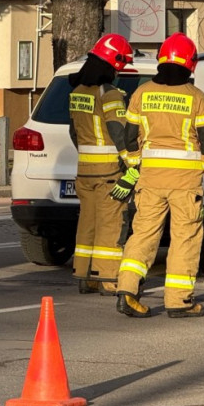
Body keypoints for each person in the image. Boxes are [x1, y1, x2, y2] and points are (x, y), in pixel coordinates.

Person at [113, 33, 204, 318]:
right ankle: (178, 301)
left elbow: (129, 136)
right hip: (185, 182)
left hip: (150, 178)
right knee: (185, 238)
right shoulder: (196, 97)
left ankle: (127, 290)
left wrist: (136, 166)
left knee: (143, 235)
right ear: (190, 64)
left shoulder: (141, 93)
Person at [68, 33, 134, 294]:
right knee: (111, 224)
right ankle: (108, 278)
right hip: (109, 172)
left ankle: (86, 277)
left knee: (88, 222)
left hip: (84, 171)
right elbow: (118, 132)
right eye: (120, 67)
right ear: (112, 65)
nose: (120, 72)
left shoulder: (77, 92)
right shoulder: (110, 94)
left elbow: (74, 133)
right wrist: (132, 165)